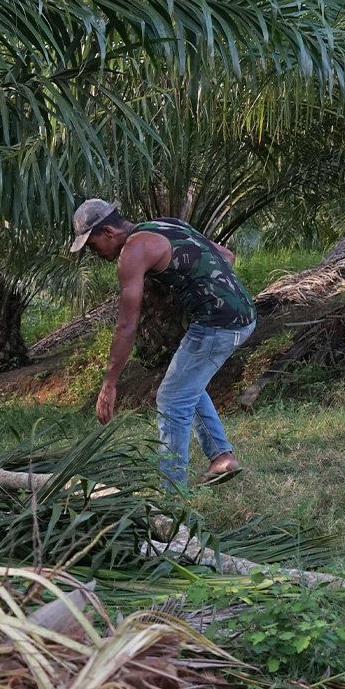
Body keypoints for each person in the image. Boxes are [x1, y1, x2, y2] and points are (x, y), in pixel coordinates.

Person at [69, 198, 257, 487]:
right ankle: (221, 457)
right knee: (184, 385)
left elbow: (126, 325)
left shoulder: (133, 251)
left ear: (108, 231)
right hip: (243, 313)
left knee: (171, 400)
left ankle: (173, 496)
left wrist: (109, 384)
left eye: (92, 245)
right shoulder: (166, 224)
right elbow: (225, 254)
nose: (93, 253)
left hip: (217, 323)